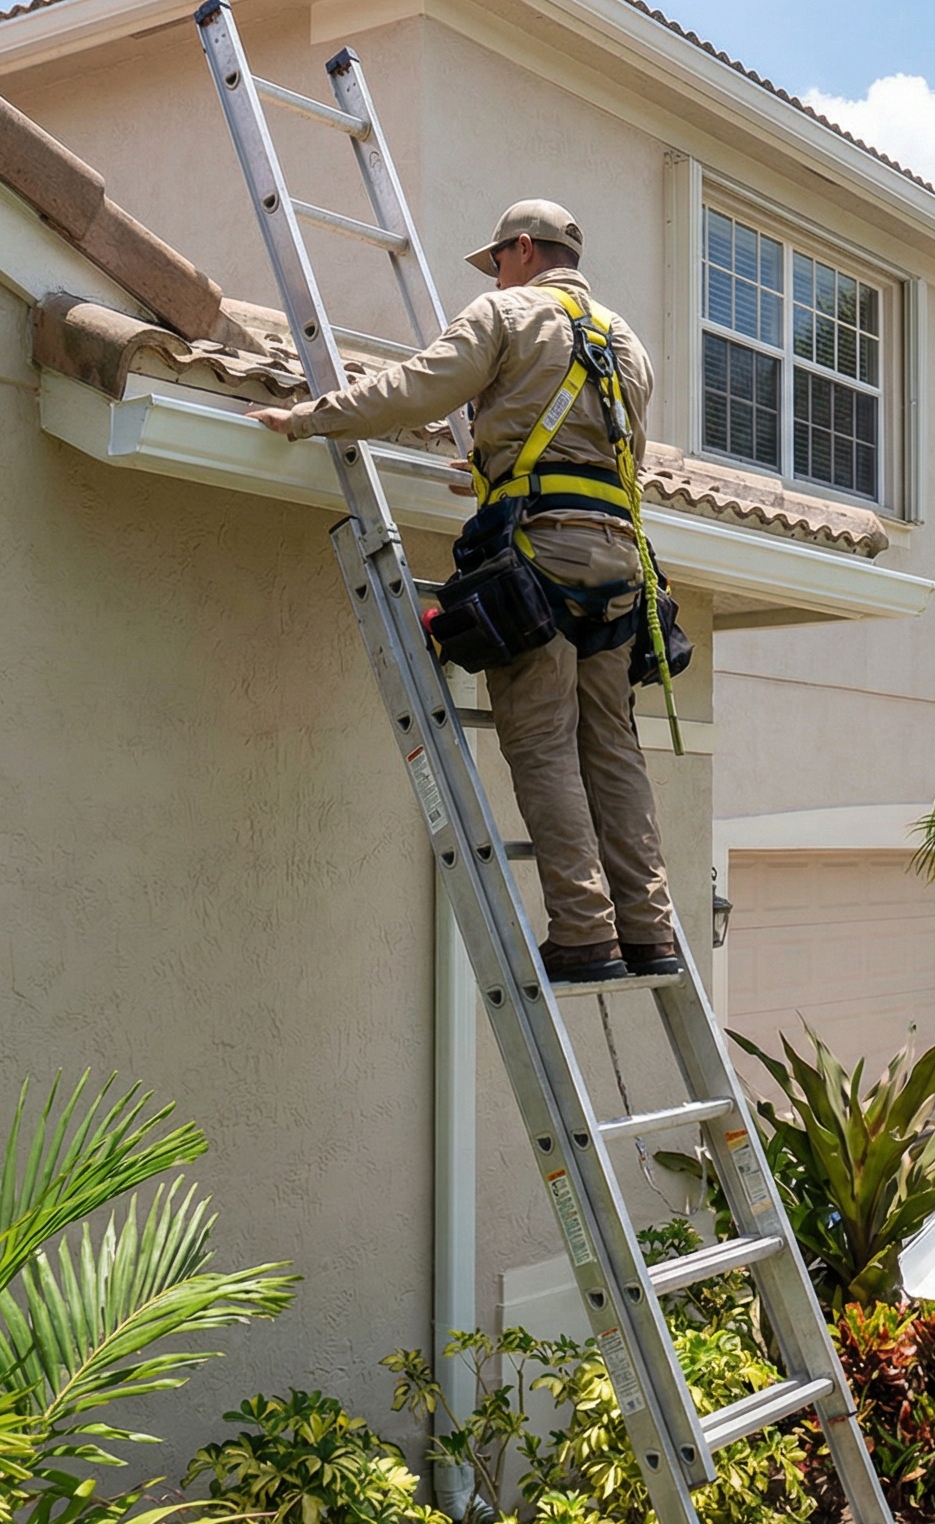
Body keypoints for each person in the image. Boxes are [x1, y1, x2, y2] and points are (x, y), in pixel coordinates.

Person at [250, 199, 676, 985]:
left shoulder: (507, 312)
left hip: (543, 554)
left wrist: (316, 416)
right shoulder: (628, 342)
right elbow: (607, 455)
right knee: (614, 752)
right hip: (622, 562)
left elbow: (419, 389)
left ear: (521, 249)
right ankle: (650, 933)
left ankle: (585, 934)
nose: (495, 272)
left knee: (544, 741)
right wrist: (492, 470)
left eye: (498, 260)